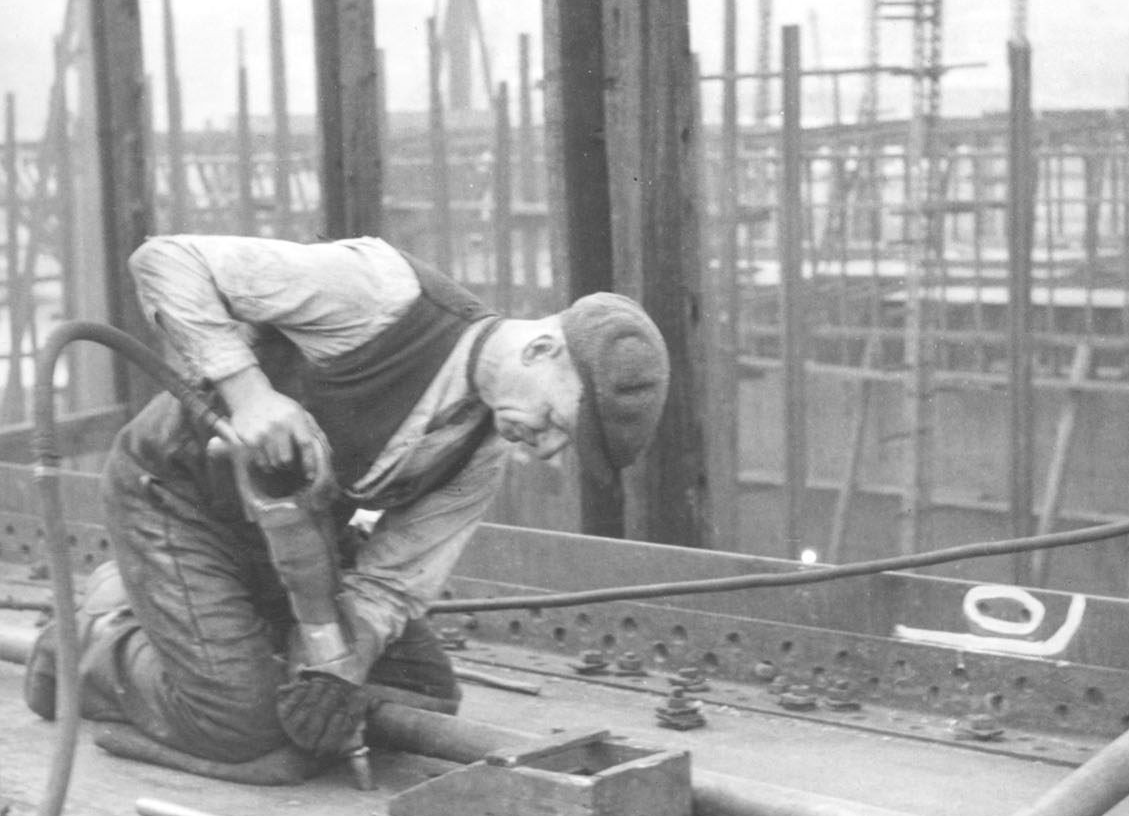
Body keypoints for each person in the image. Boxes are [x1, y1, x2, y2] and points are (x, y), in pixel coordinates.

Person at [25, 234, 670, 785]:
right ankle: (86, 642)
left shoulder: (480, 453)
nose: (542, 450)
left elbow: (390, 583)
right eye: (557, 421)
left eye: (562, 445)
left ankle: (208, 635)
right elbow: (167, 260)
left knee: (423, 695)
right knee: (242, 729)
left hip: (287, 534)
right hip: (174, 498)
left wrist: (335, 670)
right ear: (540, 351)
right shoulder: (378, 295)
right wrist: (248, 396)